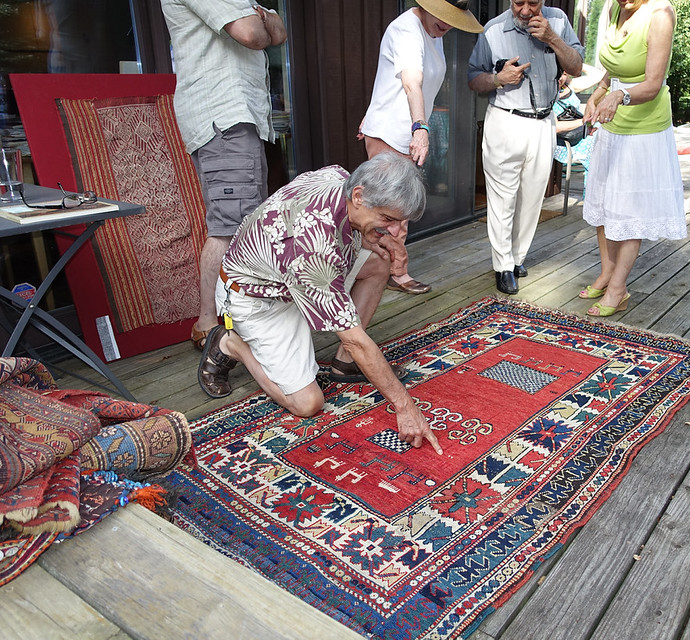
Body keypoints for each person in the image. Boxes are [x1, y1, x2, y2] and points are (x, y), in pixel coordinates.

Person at [196, 153, 443, 454]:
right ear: (359, 195)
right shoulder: (314, 249)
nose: (393, 230)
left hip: (292, 277)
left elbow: (331, 232)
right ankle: (231, 344)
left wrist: (373, 236)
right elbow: (355, 339)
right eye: (387, 220)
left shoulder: (340, 178)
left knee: (379, 261)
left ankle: (343, 365)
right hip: (256, 299)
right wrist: (404, 406)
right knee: (308, 403)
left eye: (398, 222)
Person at [160, 0, 287, 351]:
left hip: (241, 117)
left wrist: (261, 19)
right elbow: (252, 34)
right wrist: (259, 21)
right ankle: (209, 325)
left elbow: (278, 33)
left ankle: (233, 320)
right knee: (230, 226)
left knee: (243, 223)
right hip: (223, 118)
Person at [359, 0, 482, 295]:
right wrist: (420, 127)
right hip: (392, 133)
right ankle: (388, 272)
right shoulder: (407, 30)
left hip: (405, 133)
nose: (447, 24)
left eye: (453, 19)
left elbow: (389, 79)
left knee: (398, 210)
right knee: (387, 211)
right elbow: (411, 81)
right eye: (443, 16)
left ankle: (389, 270)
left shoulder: (434, 33)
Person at [467, 0, 584, 295]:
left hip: (544, 121)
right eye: (518, 2)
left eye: (533, 2)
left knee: (532, 198)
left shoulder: (558, 22)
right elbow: (473, 79)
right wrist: (497, 79)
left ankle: (517, 258)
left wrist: (552, 39)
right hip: (506, 121)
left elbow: (577, 67)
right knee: (502, 199)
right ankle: (503, 265)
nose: (525, 10)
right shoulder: (493, 31)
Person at [579, 0, 685, 316]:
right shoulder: (613, 8)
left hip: (644, 128)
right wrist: (596, 95)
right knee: (602, 204)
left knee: (629, 210)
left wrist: (618, 96)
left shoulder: (660, 14)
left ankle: (619, 288)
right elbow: (613, 69)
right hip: (611, 121)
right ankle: (606, 273)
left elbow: (652, 84)